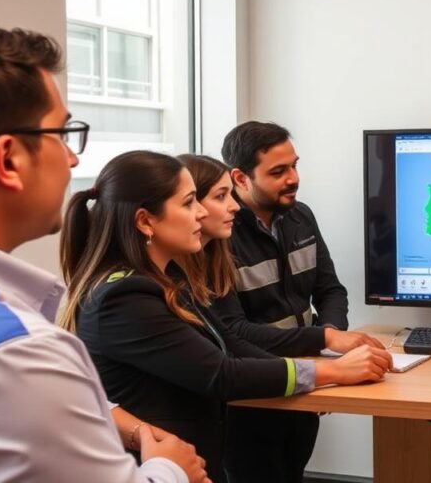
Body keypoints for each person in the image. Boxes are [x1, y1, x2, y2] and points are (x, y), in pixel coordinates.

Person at [0, 21, 206, 482]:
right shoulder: (13, 356)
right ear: (9, 160)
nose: (73, 159)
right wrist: (172, 469)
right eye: (62, 134)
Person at [57, 150, 393, 483]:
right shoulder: (125, 297)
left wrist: (314, 379)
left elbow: (230, 343)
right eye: (189, 203)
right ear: (146, 221)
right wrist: (330, 371)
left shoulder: (167, 279)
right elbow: (221, 373)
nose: (201, 212)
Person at [176, 153, 394, 481]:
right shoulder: (150, 288)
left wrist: (317, 366)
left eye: (294, 165)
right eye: (278, 171)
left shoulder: (298, 218)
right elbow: (228, 356)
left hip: (288, 377)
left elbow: (329, 290)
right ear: (242, 177)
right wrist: (325, 363)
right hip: (247, 404)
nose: (293, 178)